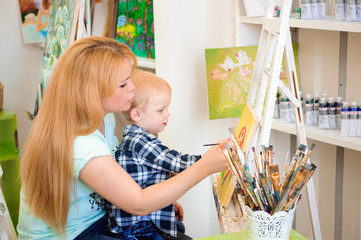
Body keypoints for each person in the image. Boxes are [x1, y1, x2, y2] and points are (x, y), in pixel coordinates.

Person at [17, 36, 228, 239]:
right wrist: (205, 167)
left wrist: (162, 200)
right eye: (123, 84)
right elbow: (139, 202)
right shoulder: (81, 143)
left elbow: (125, 182)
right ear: (92, 92)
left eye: (129, 79)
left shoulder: (105, 120)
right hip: (75, 234)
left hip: (102, 219)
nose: (132, 87)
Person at [108, 70, 201, 239]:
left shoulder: (136, 137)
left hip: (146, 218)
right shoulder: (140, 142)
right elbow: (177, 162)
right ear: (137, 114)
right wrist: (208, 160)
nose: (168, 114)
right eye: (161, 110)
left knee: (179, 228)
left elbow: (150, 178)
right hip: (140, 227)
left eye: (167, 108)